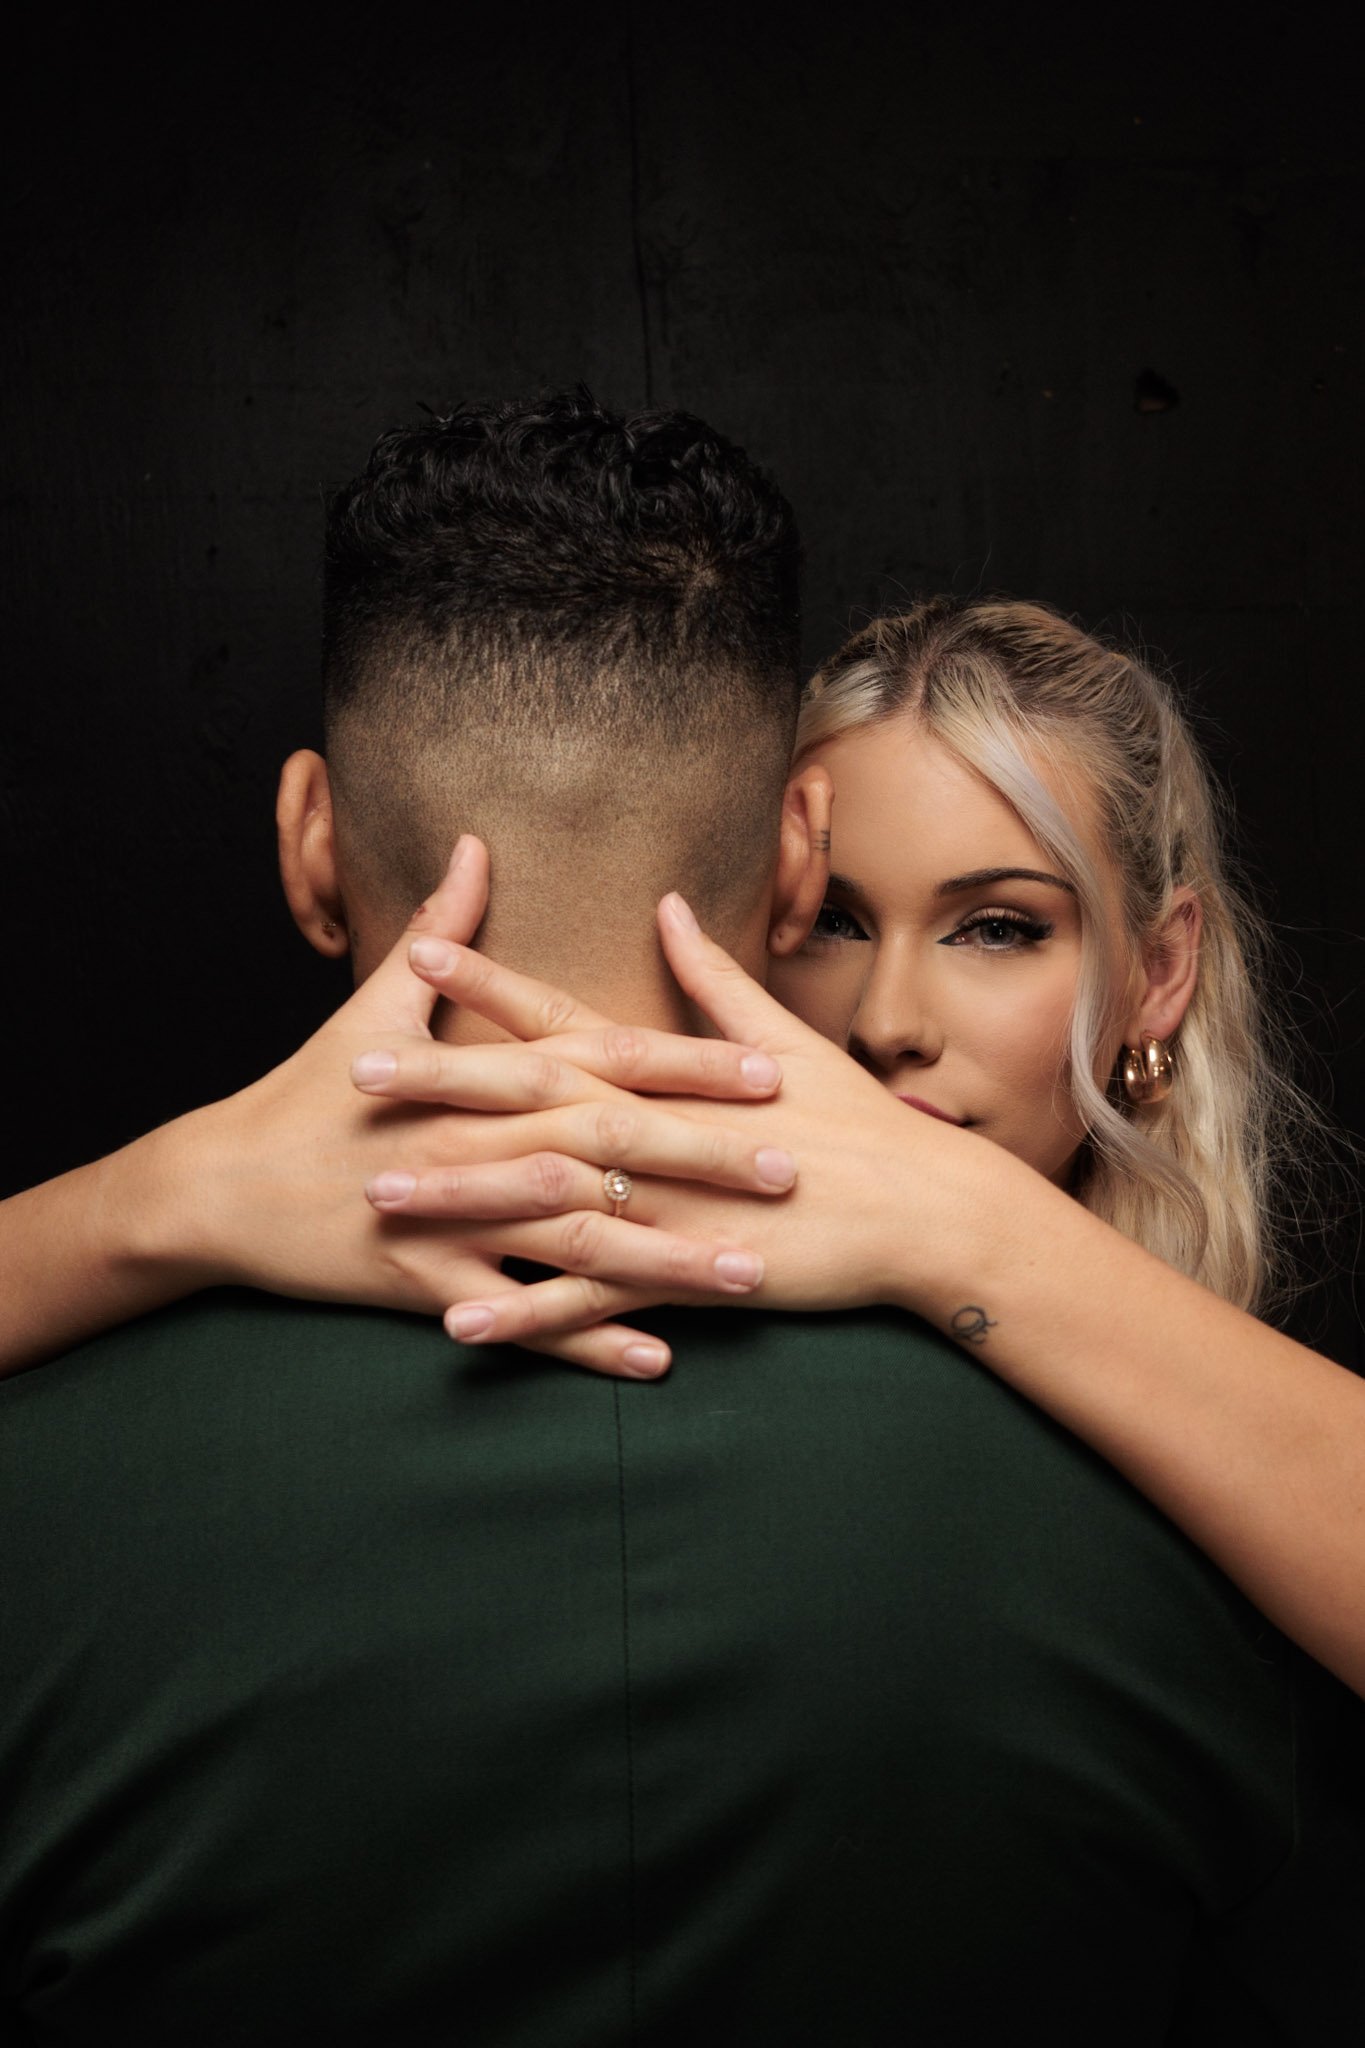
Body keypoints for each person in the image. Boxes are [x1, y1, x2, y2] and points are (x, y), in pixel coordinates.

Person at [3, 392, 1360, 2042]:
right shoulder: (1190, 1581)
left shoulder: (60, 1500)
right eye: (849, 923)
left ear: (306, 841)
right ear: (794, 869)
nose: (886, 1027)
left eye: (998, 928)